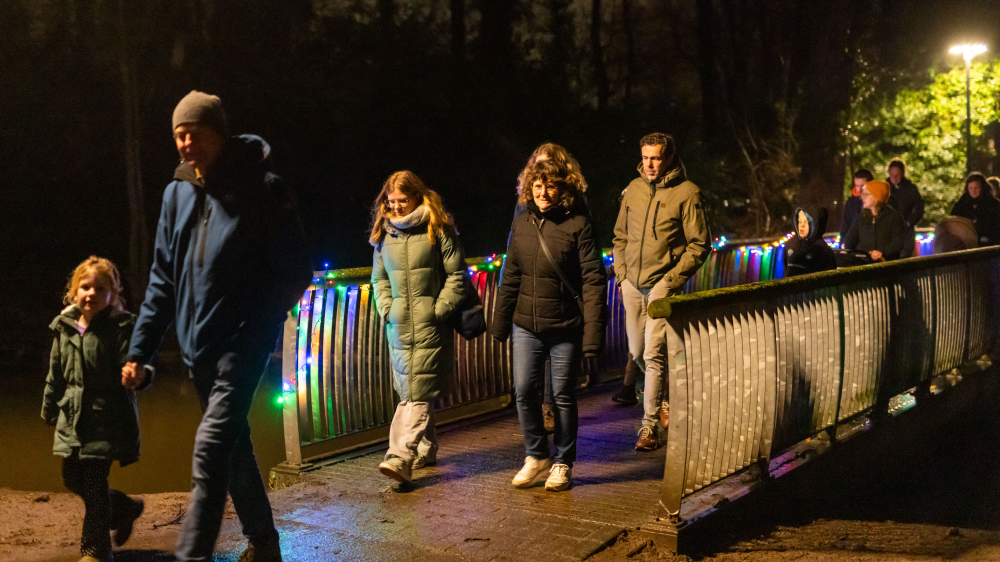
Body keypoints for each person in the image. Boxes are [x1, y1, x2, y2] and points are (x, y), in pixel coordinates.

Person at [122, 91, 312, 562]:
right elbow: (163, 280)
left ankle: (192, 555)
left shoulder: (263, 187)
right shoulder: (176, 194)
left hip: (243, 345)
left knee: (210, 449)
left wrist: (260, 326)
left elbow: (295, 271)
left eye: (195, 133)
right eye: (179, 135)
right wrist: (140, 351)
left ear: (219, 133)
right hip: (198, 350)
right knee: (233, 447)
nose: (186, 143)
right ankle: (264, 543)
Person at [492, 159, 608, 491]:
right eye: (537, 186)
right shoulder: (522, 224)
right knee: (524, 391)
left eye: (550, 186)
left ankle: (563, 462)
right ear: (529, 189)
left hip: (565, 326)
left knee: (562, 396)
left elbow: (593, 281)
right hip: (526, 324)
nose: (543, 193)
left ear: (564, 188)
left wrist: (592, 333)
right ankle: (536, 455)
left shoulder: (579, 225)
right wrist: (500, 322)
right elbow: (511, 276)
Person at [42, 257, 147, 562]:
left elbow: (136, 366)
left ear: (112, 294)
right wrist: (49, 408)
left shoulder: (121, 328)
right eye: (85, 287)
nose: (91, 293)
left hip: (107, 421)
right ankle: (125, 508)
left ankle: (96, 551)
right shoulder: (64, 327)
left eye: (100, 288)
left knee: (94, 483)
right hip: (73, 420)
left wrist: (137, 375)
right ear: (74, 292)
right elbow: (56, 374)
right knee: (72, 478)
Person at [612, 133, 711, 452]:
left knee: (653, 354)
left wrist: (670, 280)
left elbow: (700, 244)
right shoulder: (634, 189)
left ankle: (649, 426)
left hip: (661, 285)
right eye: (645, 157)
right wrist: (621, 275)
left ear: (669, 158)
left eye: (655, 158)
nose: (649, 164)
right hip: (632, 283)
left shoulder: (688, 193)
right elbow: (619, 236)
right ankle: (665, 395)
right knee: (637, 351)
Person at [371, 171, 467, 484]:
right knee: (410, 389)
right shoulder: (384, 235)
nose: (396, 206)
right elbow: (379, 279)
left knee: (417, 392)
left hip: (430, 324)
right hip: (398, 326)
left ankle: (400, 457)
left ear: (416, 196)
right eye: (391, 201)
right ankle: (427, 447)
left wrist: (438, 310)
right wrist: (387, 309)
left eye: (402, 200)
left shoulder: (437, 228)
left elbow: (457, 276)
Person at [510, 143, 591, 431]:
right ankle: (540, 432)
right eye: (537, 166)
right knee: (524, 385)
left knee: (562, 387)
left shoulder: (576, 209)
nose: (542, 184)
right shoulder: (525, 204)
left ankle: (551, 411)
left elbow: (586, 255)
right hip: (531, 300)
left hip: (562, 302)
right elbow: (515, 245)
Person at [843, 180, 907, 262]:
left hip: (887, 266)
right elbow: (849, 242)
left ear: (877, 196)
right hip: (865, 266)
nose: (862, 197)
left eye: (866, 194)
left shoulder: (894, 217)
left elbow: (898, 243)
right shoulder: (861, 218)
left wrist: (882, 252)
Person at [885, 158, 924, 258]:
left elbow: (919, 208)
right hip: (889, 233)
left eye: (897, 175)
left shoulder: (911, 189)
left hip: (906, 233)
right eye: (892, 175)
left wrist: (909, 222)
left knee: (904, 256)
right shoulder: (885, 188)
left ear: (902, 173)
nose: (894, 178)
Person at [949, 172, 1000, 246]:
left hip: (989, 245)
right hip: (965, 245)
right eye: (970, 188)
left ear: (982, 188)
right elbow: (954, 222)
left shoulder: (994, 204)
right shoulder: (961, 205)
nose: (973, 191)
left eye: (976, 188)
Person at [785, 208, 837, 276]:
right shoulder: (790, 245)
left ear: (814, 224)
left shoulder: (822, 249)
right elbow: (786, 270)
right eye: (800, 222)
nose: (802, 225)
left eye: (806, 222)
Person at [839, 168, 872, 241]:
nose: (859, 190)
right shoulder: (850, 204)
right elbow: (844, 229)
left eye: (862, 186)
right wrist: (845, 244)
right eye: (857, 186)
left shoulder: (876, 204)